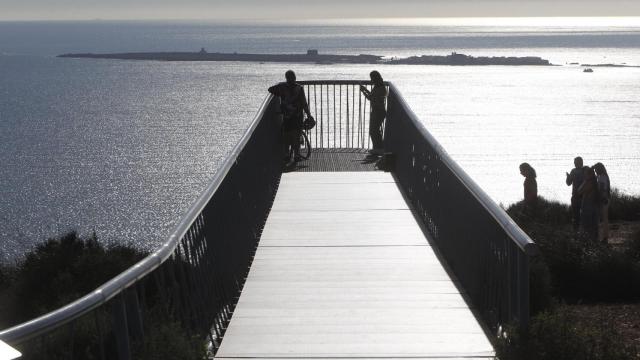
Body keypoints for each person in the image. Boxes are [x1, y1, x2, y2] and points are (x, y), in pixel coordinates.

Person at [268, 70, 314, 166]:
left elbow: (270, 89)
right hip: (297, 116)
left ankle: (286, 155)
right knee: (296, 135)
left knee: (287, 135)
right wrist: (309, 115)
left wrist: (280, 90)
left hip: (287, 116)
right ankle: (296, 155)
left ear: (286, 78)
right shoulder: (299, 88)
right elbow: (304, 103)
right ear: (295, 77)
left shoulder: (282, 87)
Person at [359, 70, 387, 155]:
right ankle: (378, 148)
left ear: (375, 78)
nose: (371, 80)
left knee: (374, 131)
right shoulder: (379, 86)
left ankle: (378, 148)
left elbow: (372, 98)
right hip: (377, 111)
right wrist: (365, 91)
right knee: (375, 130)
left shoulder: (380, 88)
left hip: (378, 111)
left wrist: (364, 91)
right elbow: (372, 96)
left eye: (372, 78)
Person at [577, 166, 600, 242]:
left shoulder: (590, 182)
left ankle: (590, 242)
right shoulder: (592, 181)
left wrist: (585, 181)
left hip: (589, 207)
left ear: (589, 174)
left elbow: (579, 191)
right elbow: (579, 190)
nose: (583, 175)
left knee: (588, 226)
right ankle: (592, 241)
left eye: (585, 173)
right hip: (590, 206)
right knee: (591, 226)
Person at [566, 156, 585, 231]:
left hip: (577, 197)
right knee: (582, 215)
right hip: (582, 196)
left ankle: (576, 231)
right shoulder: (585, 170)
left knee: (575, 216)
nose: (574, 164)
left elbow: (568, 183)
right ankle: (582, 232)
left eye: (575, 162)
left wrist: (568, 177)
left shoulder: (573, 171)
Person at [593, 162, 611, 243]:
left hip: (603, 198)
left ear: (599, 169)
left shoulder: (602, 177)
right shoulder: (602, 176)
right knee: (604, 219)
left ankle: (605, 237)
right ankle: (604, 237)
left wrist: (599, 197)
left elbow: (602, 188)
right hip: (605, 198)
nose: (595, 171)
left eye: (596, 169)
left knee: (603, 219)